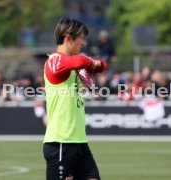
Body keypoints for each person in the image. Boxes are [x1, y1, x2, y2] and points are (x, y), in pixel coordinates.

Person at [43, 17, 107, 180]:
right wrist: (92, 63)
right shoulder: (54, 61)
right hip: (60, 143)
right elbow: (84, 62)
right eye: (81, 38)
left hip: (79, 142)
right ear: (68, 38)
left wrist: (94, 65)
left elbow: (102, 66)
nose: (83, 43)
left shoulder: (74, 67)